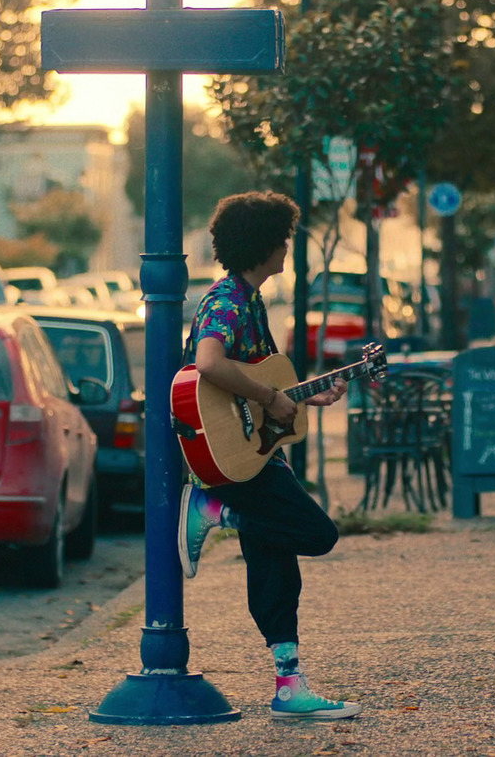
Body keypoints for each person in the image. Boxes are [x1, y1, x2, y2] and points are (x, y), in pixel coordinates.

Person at [175, 191, 359, 720]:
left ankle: (288, 687)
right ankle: (218, 511)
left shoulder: (250, 301)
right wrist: (271, 397)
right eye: (282, 238)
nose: (287, 247)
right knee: (317, 534)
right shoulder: (228, 301)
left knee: (276, 569)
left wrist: (305, 395)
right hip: (227, 456)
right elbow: (209, 362)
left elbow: (266, 386)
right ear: (263, 245)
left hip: (254, 455)